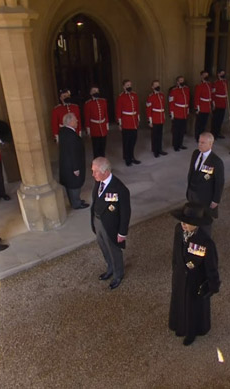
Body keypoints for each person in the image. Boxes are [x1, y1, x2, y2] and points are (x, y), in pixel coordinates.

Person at [169, 203, 220, 346]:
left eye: (188, 222)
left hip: (195, 281)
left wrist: (212, 286)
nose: (183, 224)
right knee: (179, 302)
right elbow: (175, 253)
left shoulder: (205, 242)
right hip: (180, 277)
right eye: (183, 221)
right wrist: (175, 270)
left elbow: (212, 266)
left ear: (197, 224)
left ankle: (192, 333)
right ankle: (179, 326)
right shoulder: (178, 230)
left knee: (193, 308)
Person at [91, 157, 131, 290]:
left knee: (114, 250)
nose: (93, 175)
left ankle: (118, 274)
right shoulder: (99, 182)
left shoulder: (120, 189)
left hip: (111, 226)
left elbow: (126, 213)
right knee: (104, 247)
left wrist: (122, 232)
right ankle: (110, 268)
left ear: (106, 171)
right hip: (98, 221)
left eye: (95, 171)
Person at [186, 132, 224, 236]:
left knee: (204, 221)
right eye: (199, 142)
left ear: (210, 144)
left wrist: (216, 200)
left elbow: (219, 182)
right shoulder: (195, 154)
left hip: (205, 197)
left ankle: (205, 239)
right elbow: (192, 172)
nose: (200, 144)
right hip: (192, 193)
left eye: (203, 142)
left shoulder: (216, 161)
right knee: (193, 216)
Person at [58, 113, 88, 210]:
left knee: (69, 184)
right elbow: (73, 153)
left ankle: (74, 201)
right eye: (75, 120)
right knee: (75, 185)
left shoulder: (63, 131)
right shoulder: (71, 136)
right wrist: (76, 168)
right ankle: (76, 203)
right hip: (72, 166)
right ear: (70, 122)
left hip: (66, 165)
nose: (77, 121)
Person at [116, 79, 141, 166]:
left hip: (134, 121)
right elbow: (118, 111)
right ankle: (127, 158)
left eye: (130, 85)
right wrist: (119, 123)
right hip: (126, 122)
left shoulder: (134, 95)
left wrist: (138, 118)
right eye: (127, 85)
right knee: (127, 141)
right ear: (124, 87)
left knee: (133, 140)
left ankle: (132, 156)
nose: (129, 86)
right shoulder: (121, 97)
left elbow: (137, 107)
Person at [84, 86, 109, 158]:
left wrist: (106, 125)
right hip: (94, 128)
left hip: (103, 127)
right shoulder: (88, 104)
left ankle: (103, 165)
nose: (96, 92)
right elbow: (87, 118)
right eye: (94, 91)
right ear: (90, 93)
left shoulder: (103, 101)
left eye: (97, 91)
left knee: (103, 148)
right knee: (96, 148)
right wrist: (88, 130)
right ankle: (96, 166)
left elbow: (105, 114)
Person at [146, 80, 168, 158]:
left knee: (160, 134)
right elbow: (148, 110)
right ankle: (155, 150)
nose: (157, 86)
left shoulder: (161, 95)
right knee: (155, 135)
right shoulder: (150, 97)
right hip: (154, 118)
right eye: (155, 85)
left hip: (160, 117)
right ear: (152, 87)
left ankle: (160, 149)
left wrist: (163, 116)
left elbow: (163, 107)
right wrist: (150, 120)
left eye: (158, 85)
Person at [168, 75, 190, 152]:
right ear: (177, 82)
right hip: (177, 112)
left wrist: (187, 110)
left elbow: (187, 100)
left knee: (182, 129)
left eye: (183, 80)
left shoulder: (186, 89)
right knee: (176, 130)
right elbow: (171, 103)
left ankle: (180, 143)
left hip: (184, 112)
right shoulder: (173, 91)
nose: (182, 82)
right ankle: (175, 145)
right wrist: (172, 113)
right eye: (180, 80)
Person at [194, 70, 212, 142]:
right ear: (201, 76)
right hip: (201, 107)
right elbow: (197, 97)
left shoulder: (209, 85)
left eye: (207, 75)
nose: (206, 77)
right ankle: (197, 137)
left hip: (207, 107)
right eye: (204, 75)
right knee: (199, 124)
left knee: (204, 124)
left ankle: (203, 137)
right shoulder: (199, 86)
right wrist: (197, 108)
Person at [211, 69, 228, 139]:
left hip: (223, 103)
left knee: (221, 119)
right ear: (218, 74)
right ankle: (213, 133)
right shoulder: (216, 83)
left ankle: (218, 132)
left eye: (224, 73)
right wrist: (214, 104)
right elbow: (213, 94)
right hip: (217, 103)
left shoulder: (225, 82)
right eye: (222, 73)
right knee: (215, 119)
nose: (223, 74)